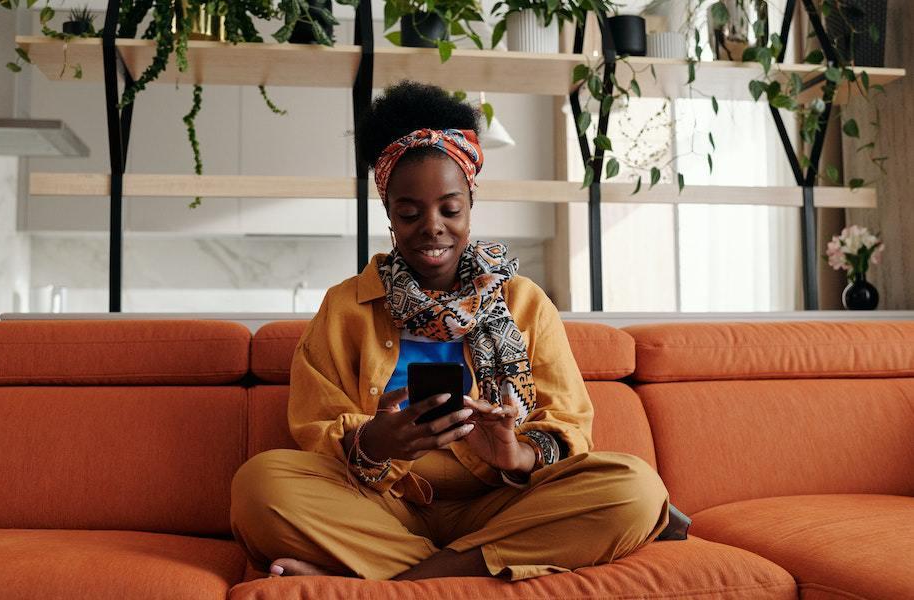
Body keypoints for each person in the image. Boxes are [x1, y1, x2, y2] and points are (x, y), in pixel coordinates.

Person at [230, 80, 671, 581]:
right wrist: (375, 442)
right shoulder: (344, 307)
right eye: (409, 212)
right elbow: (314, 429)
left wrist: (517, 453)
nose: (432, 226)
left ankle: (395, 581)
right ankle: (468, 569)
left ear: (470, 204)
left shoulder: (523, 302)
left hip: (503, 503)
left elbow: (569, 423)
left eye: (450, 208)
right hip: (383, 505)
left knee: (635, 489)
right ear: (390, 215)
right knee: (259, 486)